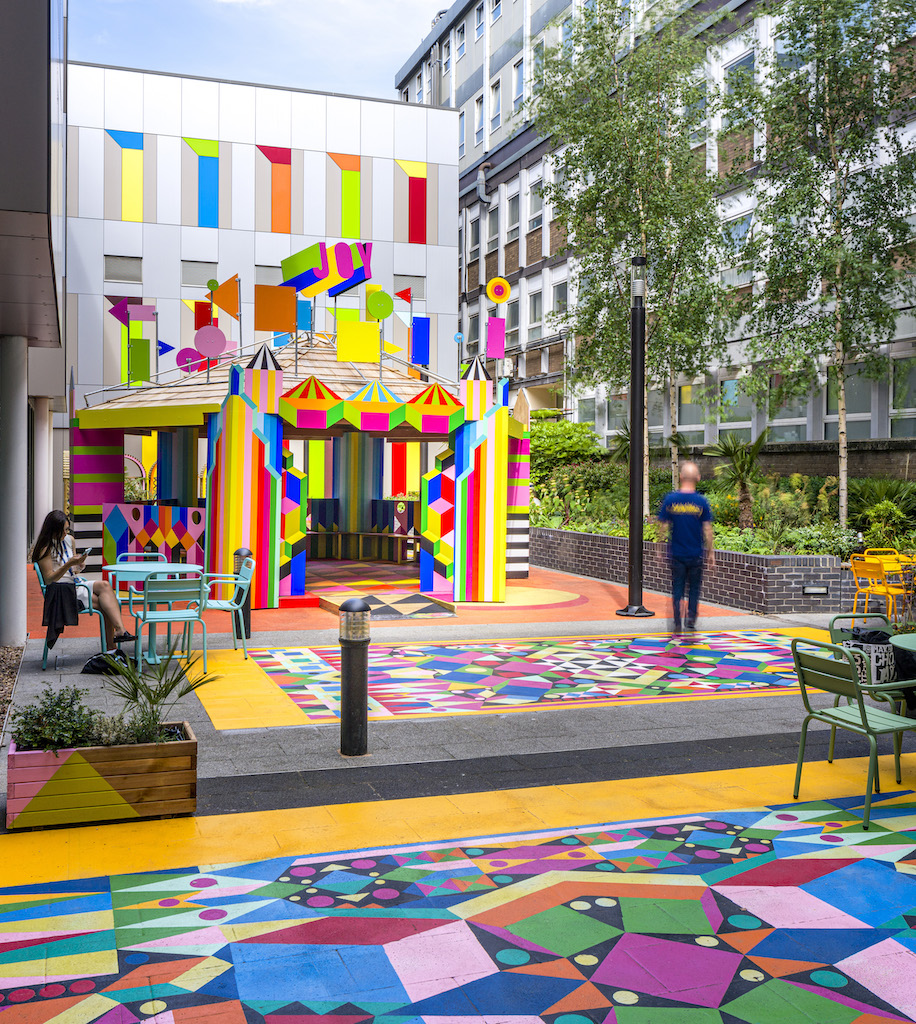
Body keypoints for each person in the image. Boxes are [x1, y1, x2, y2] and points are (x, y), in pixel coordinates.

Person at [32, 510, 135, 656]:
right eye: (62, 531)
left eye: (67, 529)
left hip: (76, 583)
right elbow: (49, 579)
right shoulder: (45, 548)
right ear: (53, 531)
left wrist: (78, 566)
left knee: (105, 585)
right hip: (62, 590)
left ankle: (120, 631)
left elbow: (73, 570)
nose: (65, 534)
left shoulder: (69, 540)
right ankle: (112, 648)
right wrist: (68, 565)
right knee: (105, 605)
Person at [657, 461, 714, 633]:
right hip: (696, 553)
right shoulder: (701, 501)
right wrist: (711, 552)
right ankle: (691, 618)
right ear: (698, 478)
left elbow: (663, 527)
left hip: (676, 553)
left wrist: (659, 548)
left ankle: (676, 621)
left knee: (678, 587)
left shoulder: (671, 500)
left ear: (681, 477)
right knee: (694, 587)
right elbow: (707, 529)